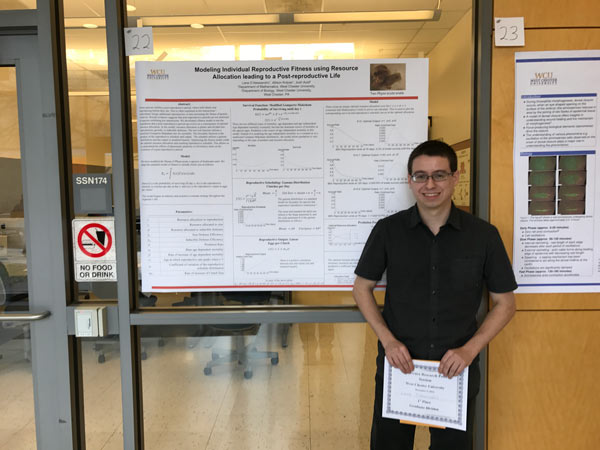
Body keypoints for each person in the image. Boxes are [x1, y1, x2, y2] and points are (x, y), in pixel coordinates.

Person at [353, 140, 517, 450]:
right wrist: (388, 341)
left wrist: (469, 351)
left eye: (439, 175)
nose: (430, 185)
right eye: (421, 176)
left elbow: (505, 304)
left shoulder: (483, 236)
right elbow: (361, 289)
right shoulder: (388, 231)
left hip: (454, 370)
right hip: (399, 366)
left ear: (455, 178)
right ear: (410, 180)